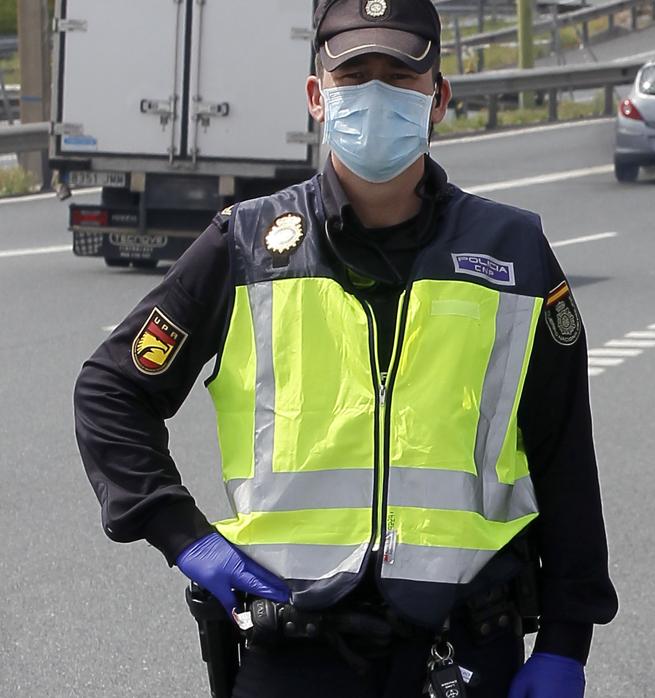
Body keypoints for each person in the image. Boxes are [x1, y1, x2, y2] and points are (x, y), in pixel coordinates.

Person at [74, 0, 617, 695]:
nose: (377, 95)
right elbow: (110, 391)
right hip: (295, 649)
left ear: (438, 97)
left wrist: (568, 641)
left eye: (400, 76)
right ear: (316, 97)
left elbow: (562, 447)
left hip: (467, 645)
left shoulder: (512, 252)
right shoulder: (245, 245)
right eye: (355, 76)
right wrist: (183, 535)